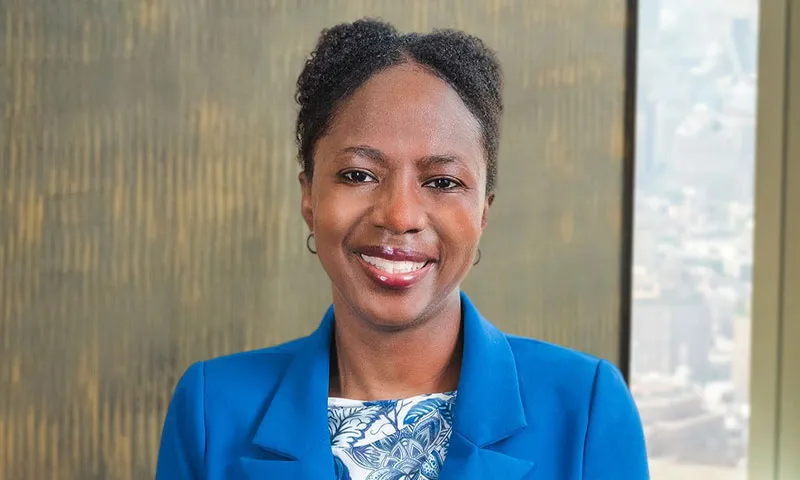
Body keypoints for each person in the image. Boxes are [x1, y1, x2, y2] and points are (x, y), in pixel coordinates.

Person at [156, 18, 649, 480]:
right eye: (358, 175)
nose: (399, 215)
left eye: (442, 181)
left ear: (483, 211)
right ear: (309, 198)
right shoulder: (211, 410)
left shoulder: (586, 409)